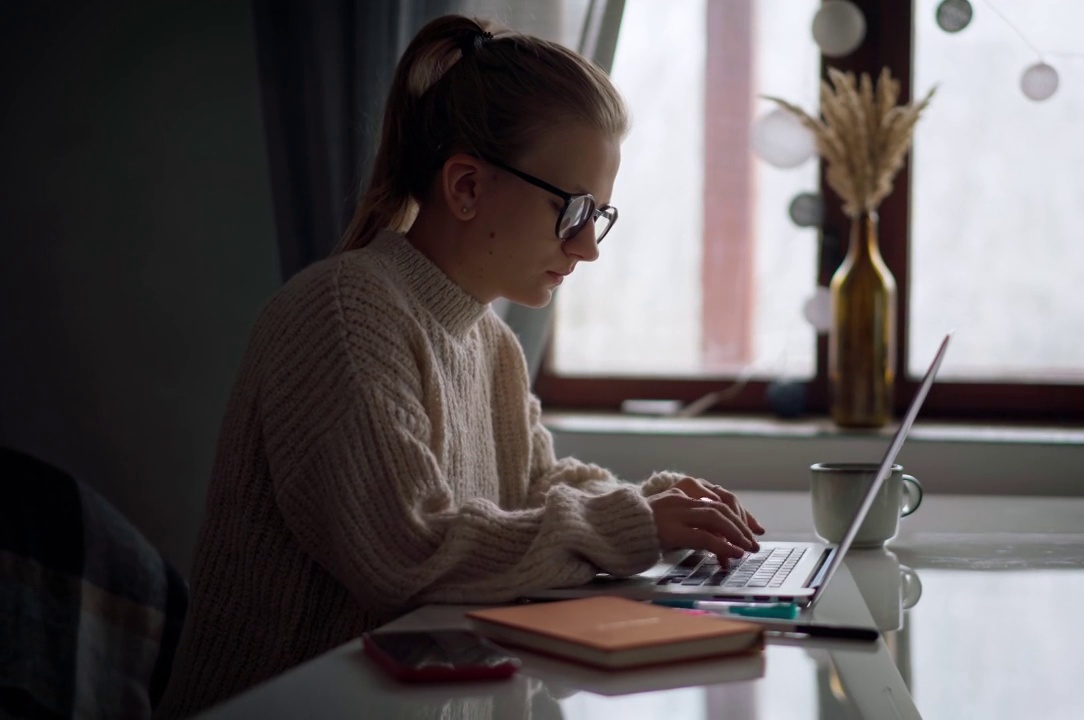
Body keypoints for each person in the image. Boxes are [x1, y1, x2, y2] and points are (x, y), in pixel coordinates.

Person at [156, 14, 765, 718]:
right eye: (574, 211)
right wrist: (635, 521)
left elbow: (535, 491)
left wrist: (663, 507)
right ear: (467, 187)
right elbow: (412, 555)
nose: (589, 248)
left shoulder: (490, 341)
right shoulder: (345, 314)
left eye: (600, 216)